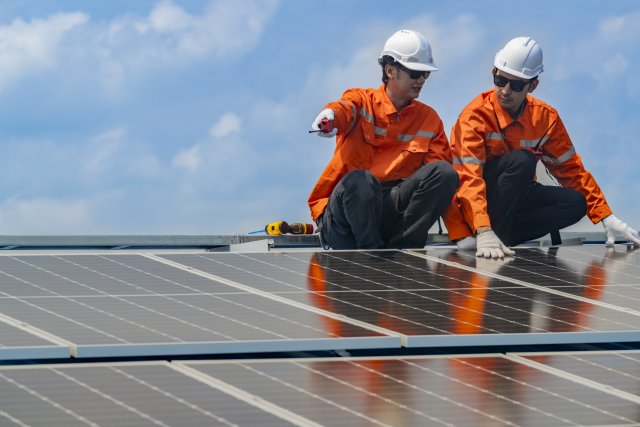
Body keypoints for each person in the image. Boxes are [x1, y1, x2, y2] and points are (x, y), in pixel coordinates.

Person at [449, 36, 640, 259]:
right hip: (477, 200)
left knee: (575, 203)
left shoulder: (546, 118)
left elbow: (571, 170)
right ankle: (488, 235)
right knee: (522, 160)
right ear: (494, 73)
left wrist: (606, 216)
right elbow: (469, 179)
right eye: (500, 80)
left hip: (516, 198)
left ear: (533, 85)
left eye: (517, 85)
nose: (506, 90)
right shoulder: (474, 117)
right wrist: (483, 229)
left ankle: (502, 238)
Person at [308, 29, 463, 249]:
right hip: (346, 219)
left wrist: (462, 234)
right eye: (414, 73)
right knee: (362, 181)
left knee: (444, 173)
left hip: (388, 210)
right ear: (390, 70)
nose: (421, 80)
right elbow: (344, 108)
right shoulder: (362, 101)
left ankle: (405, 250)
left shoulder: (429, 119)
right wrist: (331, 117)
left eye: (425, 74)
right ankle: (373, 255)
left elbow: (440, 185)